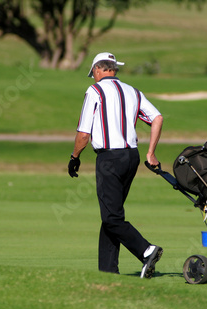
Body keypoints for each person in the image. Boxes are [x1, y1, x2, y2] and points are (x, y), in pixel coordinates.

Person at [68, 52, 164, 278]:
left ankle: (146, 250)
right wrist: (151, 152)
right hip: (132, 157)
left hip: (109, 158)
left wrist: (74, 158)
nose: (93, 77)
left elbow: (83, 133)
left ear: (99, 70)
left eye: (93, 73)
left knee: (111, 217)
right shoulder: (133, 91)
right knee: (112, 215)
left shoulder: (95, 91)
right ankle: (108, 271)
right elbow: (157, 118)